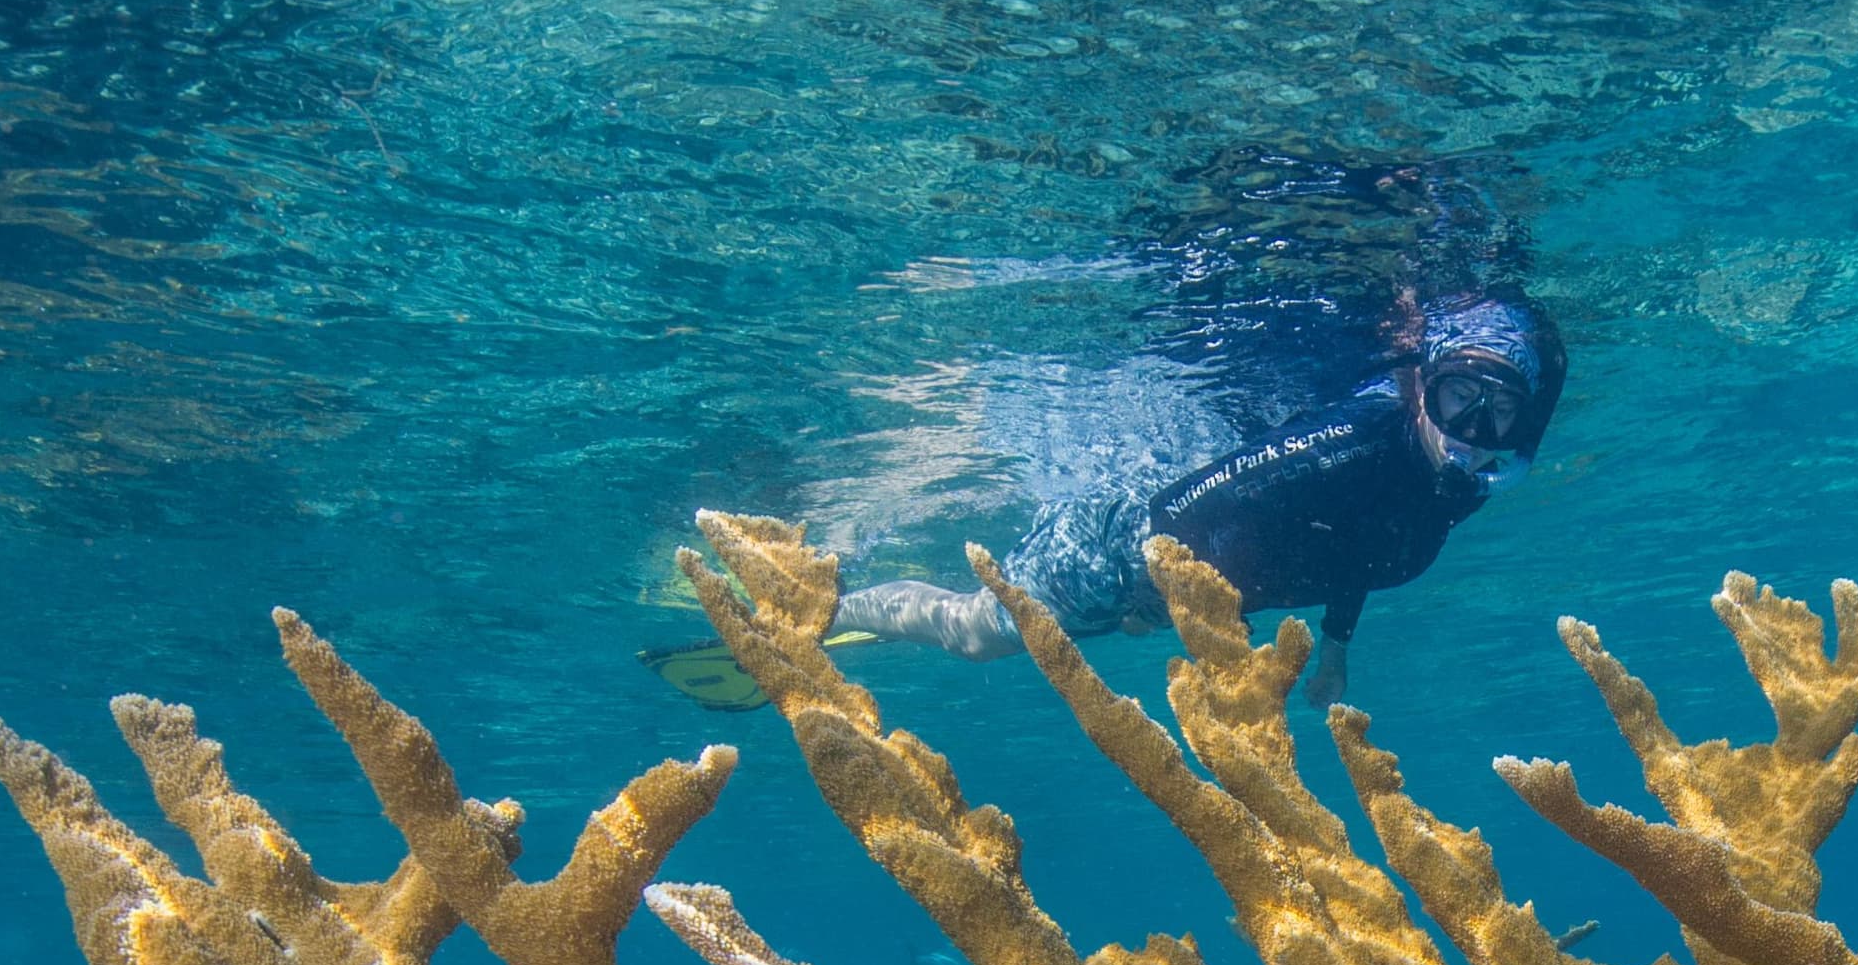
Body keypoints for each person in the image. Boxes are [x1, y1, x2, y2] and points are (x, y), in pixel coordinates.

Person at [647, 283, 1564, 710]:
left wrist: (1335, 647)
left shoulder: (1453, 484)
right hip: (1130, 545)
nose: (1471, 429)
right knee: (982, 634)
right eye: (1458, 399)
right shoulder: (1365, 436)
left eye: (1497, 412)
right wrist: (1164, 592)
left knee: (1007, 639)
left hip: (1176, 593)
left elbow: (1359, 545)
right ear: (1426, 382)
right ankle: (816, 599)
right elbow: (1198, 499)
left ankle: (844, 600)